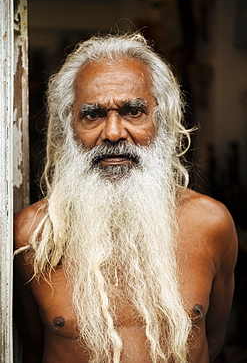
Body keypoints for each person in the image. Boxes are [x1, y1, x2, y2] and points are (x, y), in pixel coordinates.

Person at [14, 32, 238, 363]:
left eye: (133, 111)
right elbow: (31, 348)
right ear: (69, 125)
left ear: (160, 120)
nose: (114, 133)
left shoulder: (210, 223)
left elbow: (214, 338)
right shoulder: (33, 234)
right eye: (93, 114)